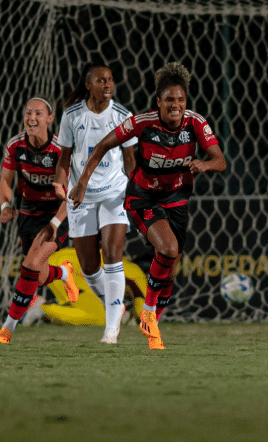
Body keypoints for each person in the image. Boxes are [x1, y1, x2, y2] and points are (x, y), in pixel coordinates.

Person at [68, 62, 226, 350]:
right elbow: (102, 145)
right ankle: (149, 311)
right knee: (167, 249)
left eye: (180, 99)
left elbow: (220, 160)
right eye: (169, 100)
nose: (175, 105)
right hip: (143, 198)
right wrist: (82, 183)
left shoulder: (196, 123)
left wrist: (205, 163)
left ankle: (152, 325)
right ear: (159, 102)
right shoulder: (142, 123)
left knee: (171, 270)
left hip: (177, 199)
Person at [53, 61, 136, 344]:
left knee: (113, 255)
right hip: (81, 195)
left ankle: (111, 329)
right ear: (88, 84)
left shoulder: (123, 116)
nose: (108, 85)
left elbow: (129, 158)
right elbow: (65, 155)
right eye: (101, 81)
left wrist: (136, 190)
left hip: (115, 192)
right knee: (88, 266)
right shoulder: (72, 115)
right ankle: (116, 304)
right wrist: (59, 183)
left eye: (111, 80)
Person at [0, 97, 80, 344]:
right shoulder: (15, 145)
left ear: (50, 119)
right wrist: (6, 205)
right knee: (38, 276)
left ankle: (7, 328)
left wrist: (54, 224)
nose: (32, 118)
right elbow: (5, 182)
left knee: (30, 265)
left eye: (39, 113)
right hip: (29, 212)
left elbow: (71, 193)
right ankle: (64, 273)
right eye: (28, 113)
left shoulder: (60, 149)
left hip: (57, 213)